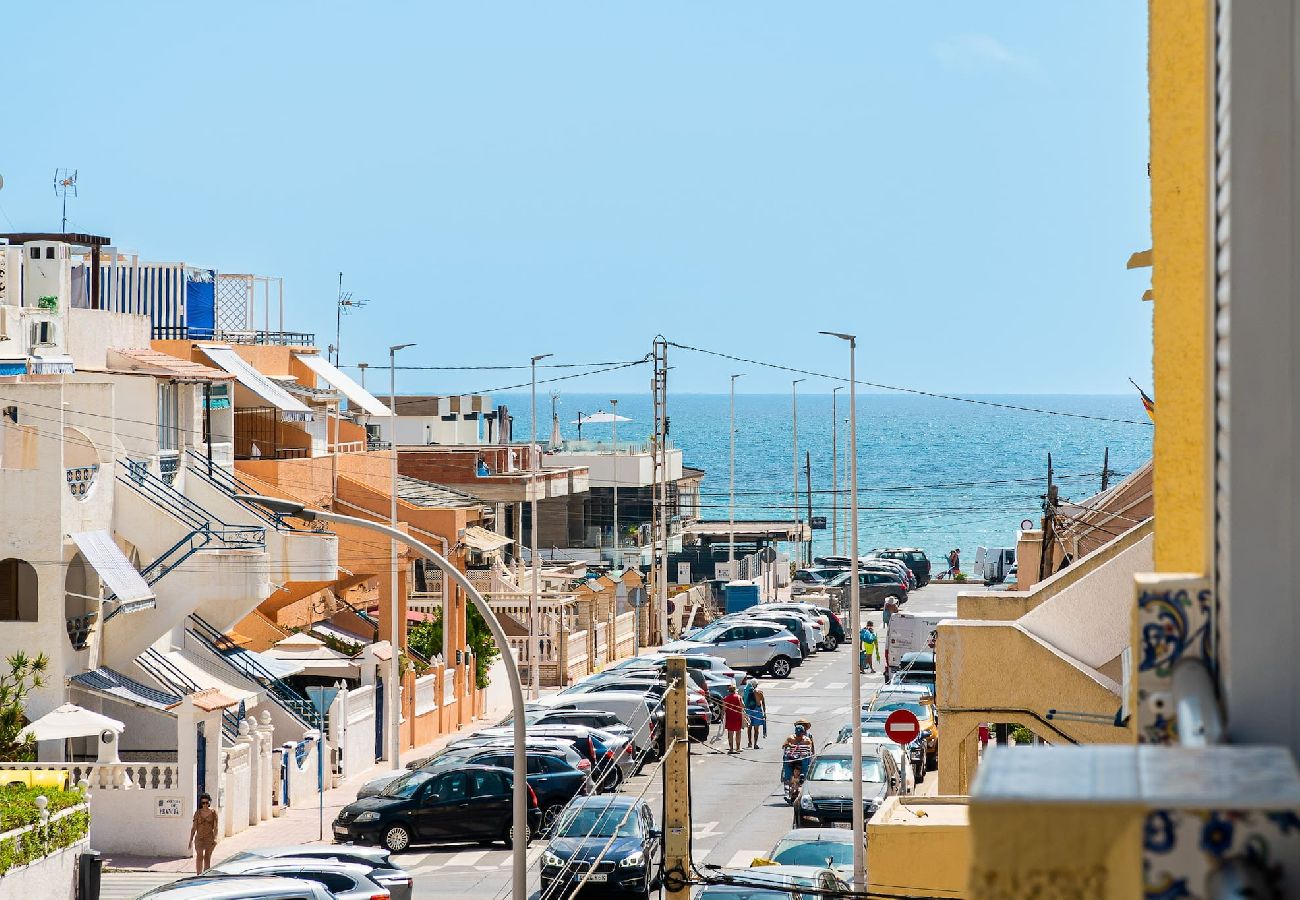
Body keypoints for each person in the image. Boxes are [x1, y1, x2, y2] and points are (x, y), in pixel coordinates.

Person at [188, 792, 219, 874]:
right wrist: (190, 840)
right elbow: (194, 827)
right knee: (199, 856)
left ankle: (206, 875)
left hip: (209, 837)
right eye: (203, 803)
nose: (205, 805)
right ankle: (198, 875)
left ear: (209, 802)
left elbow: (215, 827)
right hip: (199, 838)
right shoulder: (198, 813)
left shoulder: (213, 813)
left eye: (206, 802)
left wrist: (215, 838)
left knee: (207, 857)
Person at [781, 724, 815, 788]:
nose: (798, 736)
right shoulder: (790, 738)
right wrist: (789, 744)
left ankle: (803, 777)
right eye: (797, 734)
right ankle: (787, 779)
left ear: (803, 733)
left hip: (802, 758)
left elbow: (810, 749)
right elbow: (783, 745)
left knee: (806, 761)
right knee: (787, 761)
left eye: (800, 734)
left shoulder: (807, 740)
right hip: (792, 757)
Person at [741, 676, 767, 749]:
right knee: (756, 729)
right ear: (756, 685)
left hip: (748, 710)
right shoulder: (759, 692)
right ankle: (755, 744)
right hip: (757, 710)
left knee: (749, 728)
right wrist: (764, 713)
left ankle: (749, 743)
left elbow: (743, 700)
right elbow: (763, 703)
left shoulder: (746, 691)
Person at [722, 684, 745, 753]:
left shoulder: (726, 698)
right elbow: (743, 706)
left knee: (730, 733)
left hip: (729, 717)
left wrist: (722, 717)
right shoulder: (739, 697)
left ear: (729, 691)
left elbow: (723, 709)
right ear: (735, 691)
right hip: (738, 717)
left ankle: (731, 748)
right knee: (738, 732)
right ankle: (738, 747)